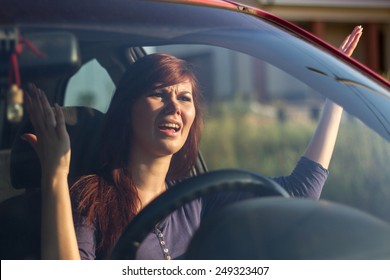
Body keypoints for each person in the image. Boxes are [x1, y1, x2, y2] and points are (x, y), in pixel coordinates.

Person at [23, 26, 363, 260]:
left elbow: (300, 191)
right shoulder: (91, 196)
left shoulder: (198, 199)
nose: (174, 107)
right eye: (158, 94)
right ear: (127, 110)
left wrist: (335, 98)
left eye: (184, 98)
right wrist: (55, 172)